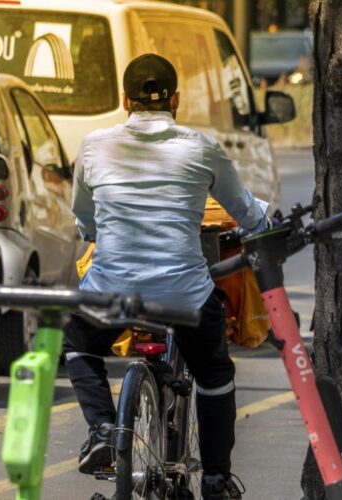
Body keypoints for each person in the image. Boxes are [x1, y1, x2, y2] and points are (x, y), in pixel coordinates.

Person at [63, 53, 267, 500]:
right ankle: (215, 477)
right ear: (175, 99)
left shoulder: (94, 146)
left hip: (114, 291)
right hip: (184, 296)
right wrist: (263, 227)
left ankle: (101, 430)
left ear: (124, 99)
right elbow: (247, 213)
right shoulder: (201, 147)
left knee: (78, 346)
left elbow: (85, 220)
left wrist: (98, 231)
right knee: (214, 372)